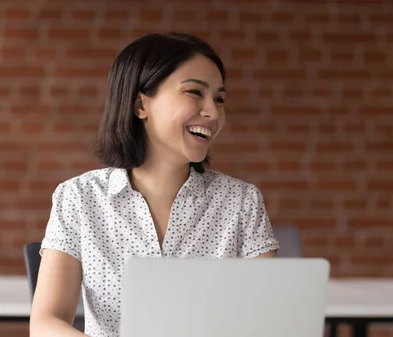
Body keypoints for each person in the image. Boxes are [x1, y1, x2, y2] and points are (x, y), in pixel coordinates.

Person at [29, 32, 280, 337]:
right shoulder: (79, 198)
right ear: (140, 105)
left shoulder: (242, 202)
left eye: (219, 99)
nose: (213, 113)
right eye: (194, 93)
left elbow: (273, 321)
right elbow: (45, 323)